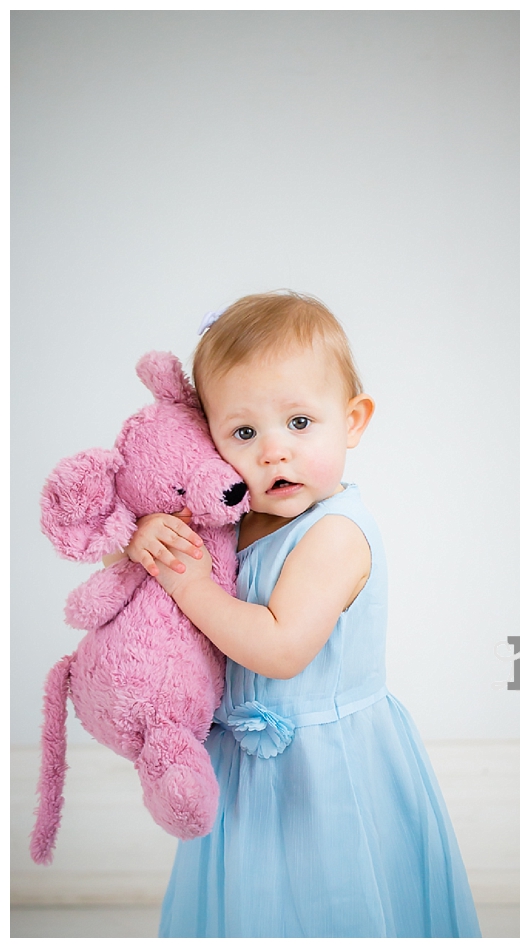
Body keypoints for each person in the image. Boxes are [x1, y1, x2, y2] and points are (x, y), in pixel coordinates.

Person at [115, 291, 481, 937]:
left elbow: (281, 648)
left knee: (332, 904)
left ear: (354, 421)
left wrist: (188, 582)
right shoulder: (235, 518)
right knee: (247, 907)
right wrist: (152, 537)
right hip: (239, 766)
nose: (273, 452)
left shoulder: (335, 535)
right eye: (244, 432)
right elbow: (163, 549)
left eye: (300, 423)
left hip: (328, 768)